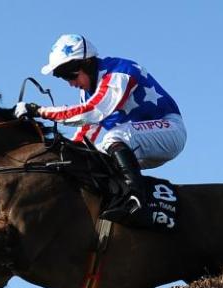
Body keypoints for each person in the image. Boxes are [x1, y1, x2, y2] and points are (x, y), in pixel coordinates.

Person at [15, 34, 187, 224]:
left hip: (170, 130)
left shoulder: (120, 73)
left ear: (87, 63)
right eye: (63, 78)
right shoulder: (87, 91)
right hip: (137, 142)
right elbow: (86, 131)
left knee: (114, 137)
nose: (70, 83)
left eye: (70, 75)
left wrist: (40, 111)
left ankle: (136, 202)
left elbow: (91, 112)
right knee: (93, 156)